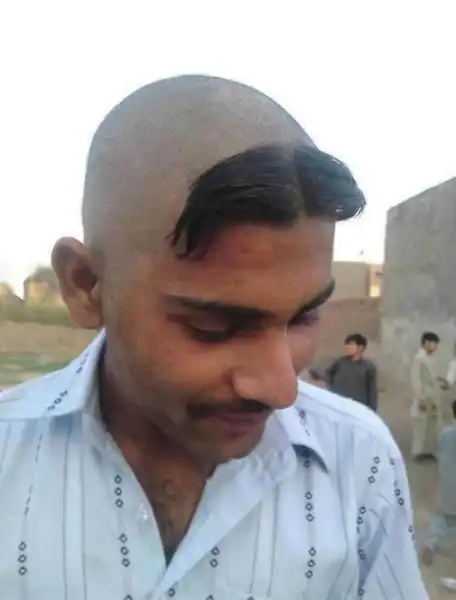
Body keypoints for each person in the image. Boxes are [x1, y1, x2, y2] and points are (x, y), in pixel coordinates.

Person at [0, 76, 427, 598]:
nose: (282, 390)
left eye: (305, 316)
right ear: (87, 286)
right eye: (214, 329)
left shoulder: (358, 459)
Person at [421, 400, 456, 589]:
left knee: (441, 518)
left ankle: (431, 543)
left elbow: (441, 456)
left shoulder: (446, 433)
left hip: (448, 486)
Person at [325, 333, 378, 411]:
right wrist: (333, 389)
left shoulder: (368, 367)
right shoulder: (340, 362)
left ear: (360, 347)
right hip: (339, 405)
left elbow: (372, 392)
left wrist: (372, 411)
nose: (348, 347)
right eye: (347, 345)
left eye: (351, 344)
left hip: (358, 407)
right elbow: (328, 374)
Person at [411, 332, 442, 462]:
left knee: (431, 425)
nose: (435, 347)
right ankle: (417, 452)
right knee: (420, 426)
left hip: (433, 396)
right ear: (427, 343)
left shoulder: (430, 358)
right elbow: (416, 380)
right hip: (424, 396)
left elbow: (432, 376)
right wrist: (421, 398)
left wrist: (441, 380)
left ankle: (427, 451)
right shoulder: (419, 358)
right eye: (434, 343)